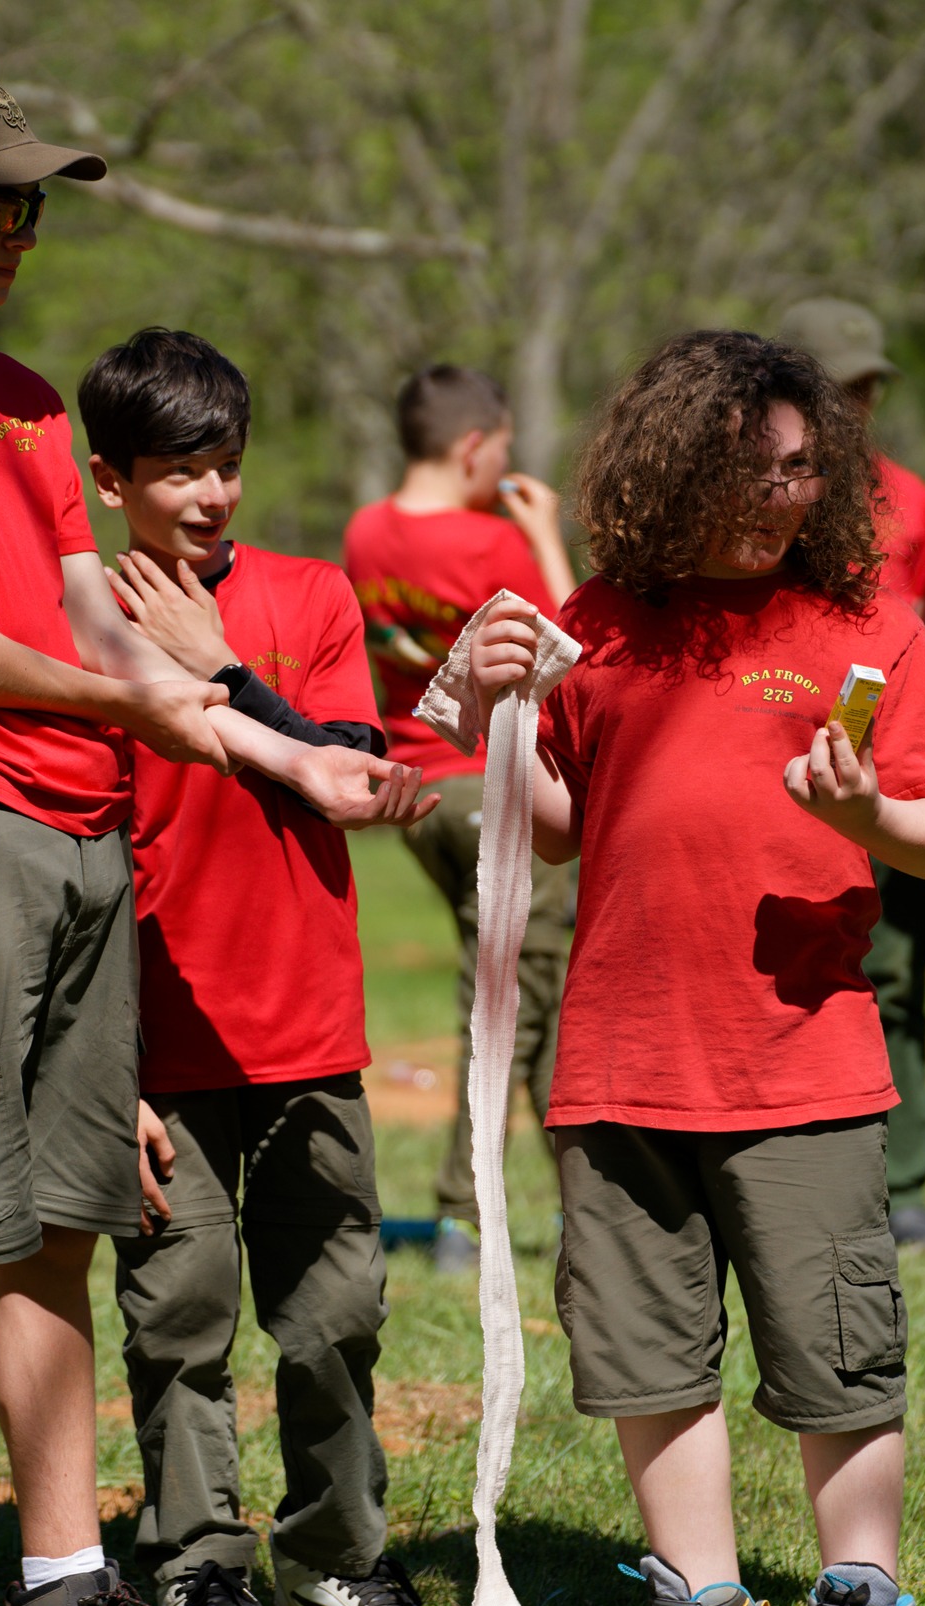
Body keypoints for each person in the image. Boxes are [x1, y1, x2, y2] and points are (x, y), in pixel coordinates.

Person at [0, 65, 426, 1606]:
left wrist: (274, 746)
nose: (19, 231)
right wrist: (132, 702)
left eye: (34, 205)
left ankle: (65, 1581)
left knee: (61, 1231)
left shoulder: (28, 400)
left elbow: (86, 616)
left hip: (89, 846)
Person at [470, 332, 925, 1606]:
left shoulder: (869, 625)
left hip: (799, 1053)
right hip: (621, 1055)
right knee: (648, 1344)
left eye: (804, 470)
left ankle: (860, 1585)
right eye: (748, 472)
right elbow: (550, 823)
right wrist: (495, 714)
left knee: (834, 1336)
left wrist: (869, 810)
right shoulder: (597, 623)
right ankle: (694, 1592)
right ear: (672, 467)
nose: (780, 497)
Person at [80, 327, 446, 1606]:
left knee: (335, 1313)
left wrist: (225, 666)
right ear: (110, 473)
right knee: (177, 1319)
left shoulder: (310, 593)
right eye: (180, 469)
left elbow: (347, 768)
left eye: (226, 463)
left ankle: (337, 1553)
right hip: (154, 1041)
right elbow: (74, 853)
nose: (212, 493)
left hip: (307, 1030)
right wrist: (95, 1066)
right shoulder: (75, 618)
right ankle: (197, 1563)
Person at [342, 365, 577, 1269]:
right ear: (475, 446)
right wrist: (544, 533)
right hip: (496, 789)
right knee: (509, 1007)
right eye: (505, 447)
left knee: (540, 996)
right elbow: (571, 649)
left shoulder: (367, 532)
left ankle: (581, 1208)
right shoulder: (491, 549)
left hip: (421, 793)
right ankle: (457, 1215)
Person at [779, 298, 925, 1249]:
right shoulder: (758, 494)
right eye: (834, 386)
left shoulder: (915, 501)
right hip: (775, 767)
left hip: (891, 781)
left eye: (866, 387)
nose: (853, 405)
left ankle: (912, 1179)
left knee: (896, 975)